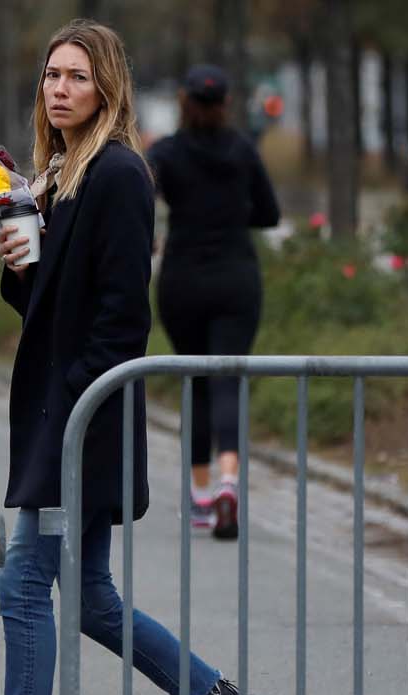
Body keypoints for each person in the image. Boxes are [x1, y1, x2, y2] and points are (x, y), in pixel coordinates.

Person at [0, 20, 289, 695]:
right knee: (87, 600)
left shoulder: (119, 174)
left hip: (82, 420)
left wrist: (71, 415)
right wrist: (16, 255)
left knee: (22, 586)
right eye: (51, 74)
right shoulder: (61, 177)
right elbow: (48, 304)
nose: (59, 88)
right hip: (66, 412)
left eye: (77, 76)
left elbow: (122, 321)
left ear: (108, 88)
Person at [147, 65, 281, 540]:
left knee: (196, 381)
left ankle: (200, 498)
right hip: (235, 277)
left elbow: (141, 205)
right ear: (224, 103)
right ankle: (230, 481)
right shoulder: (242, 150)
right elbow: (269, 213)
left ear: (184, 102)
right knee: (228, 380)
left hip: (182, 279)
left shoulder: (164, 153)